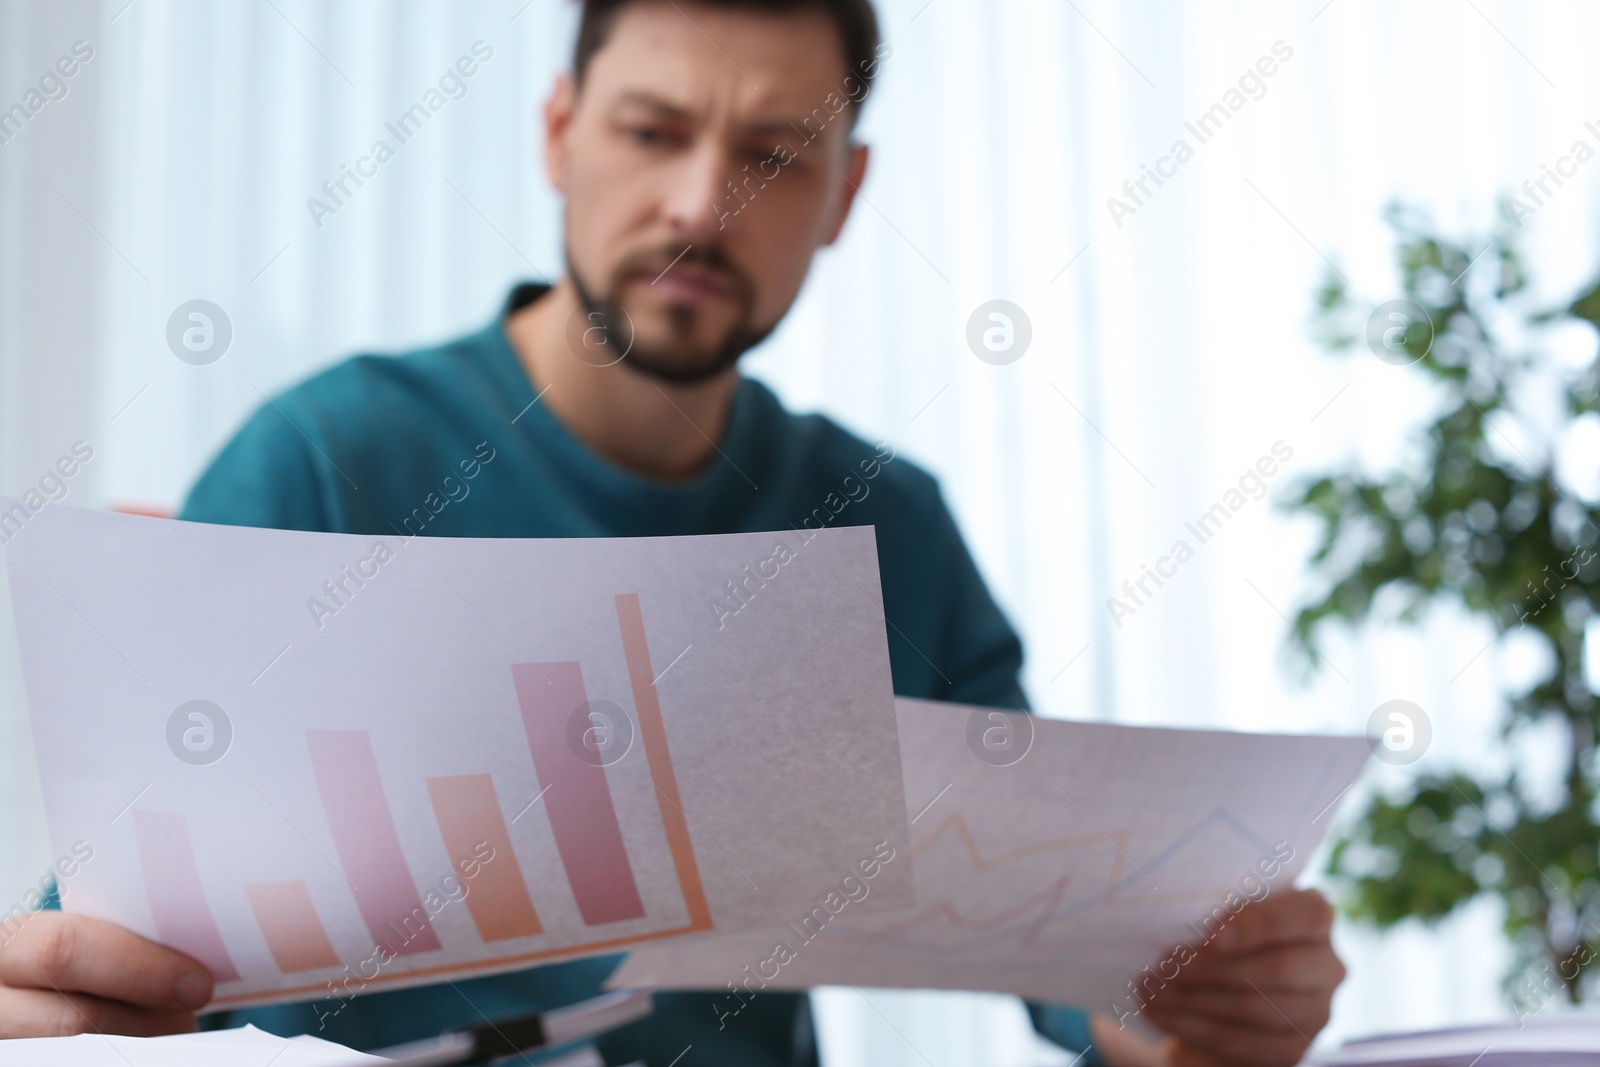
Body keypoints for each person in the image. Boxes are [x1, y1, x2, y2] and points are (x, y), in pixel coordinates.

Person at [0, 1, 1345, 1063]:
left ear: (847, 193)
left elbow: (1068, 964)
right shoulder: (333, 460)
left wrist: (1190, 1005)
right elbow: (118, 952)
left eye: (774, 155)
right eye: (652, 133)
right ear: (557, 134)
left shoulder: (890, 522)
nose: (703, 205)